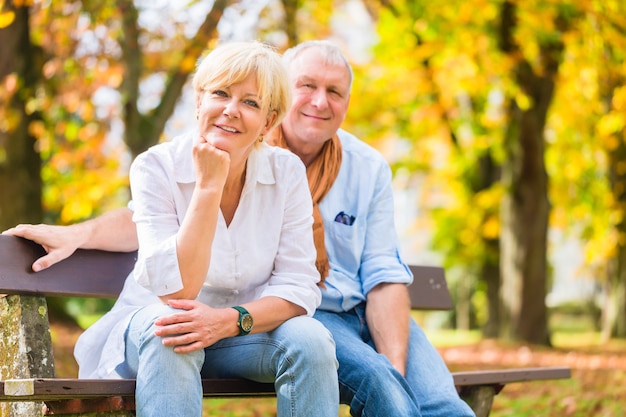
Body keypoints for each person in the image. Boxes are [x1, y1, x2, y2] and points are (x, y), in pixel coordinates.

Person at [5, 40, 474, 417]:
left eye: (250, 102)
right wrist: (208, 188)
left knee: (312, 340)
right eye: (220, 94)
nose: (231, 110)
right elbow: (178, 289)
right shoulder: (156, 166)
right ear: (199, 99)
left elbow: (299, 285)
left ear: (269, 119)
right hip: (161, 319)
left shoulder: (291, 171)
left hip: (242, 330)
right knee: (176, 329)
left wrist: (231, 320)